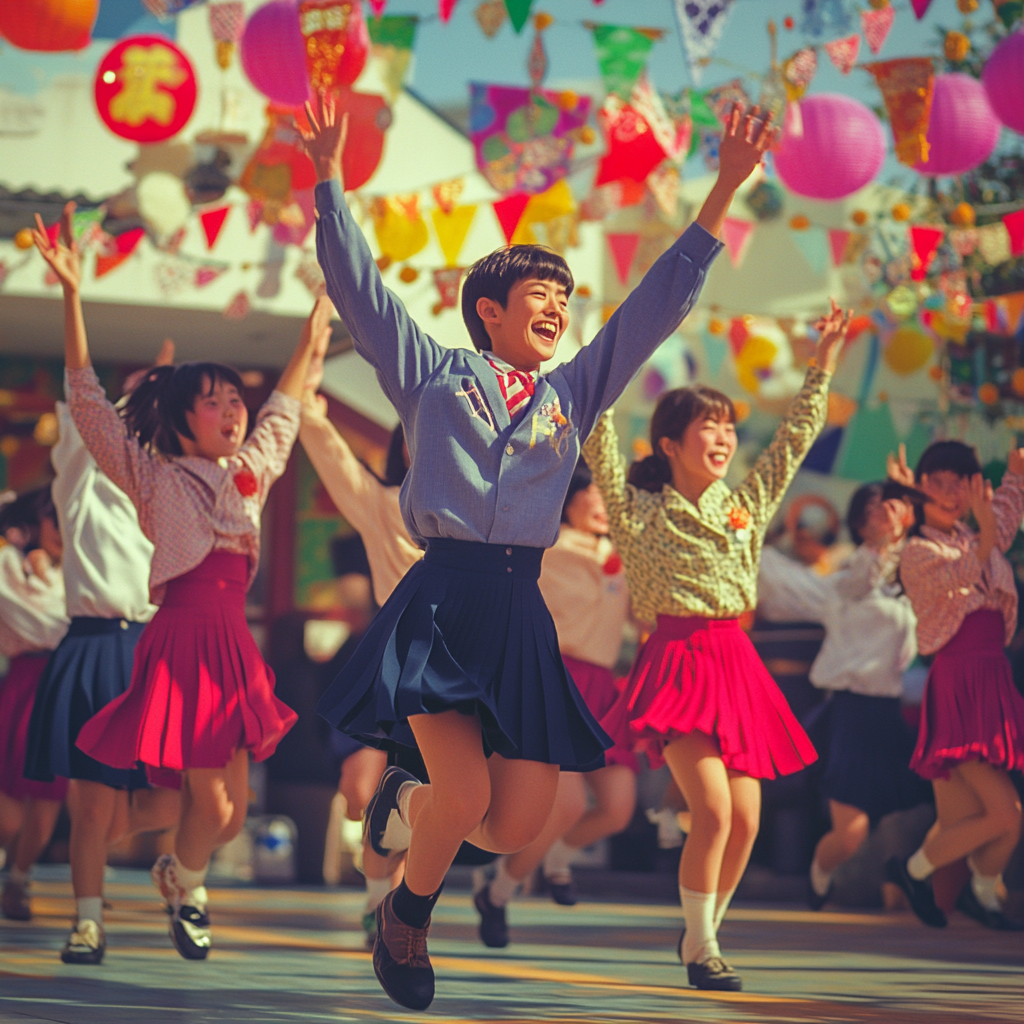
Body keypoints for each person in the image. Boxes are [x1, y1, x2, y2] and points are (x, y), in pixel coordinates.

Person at [301, 88, 773, 1010]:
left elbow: (653, 309)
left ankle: (403, 803)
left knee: (515, 825)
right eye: (539, 295)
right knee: (467, 794)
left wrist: (720, 192)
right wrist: (327, 180)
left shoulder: (572, 393)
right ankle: (406, 918)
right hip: (444, 600)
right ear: (489, 309)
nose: (557, 308)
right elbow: (359, 285)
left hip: (520, 611)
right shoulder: (432, 374)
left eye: (564, 296)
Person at [32, 203, 317, 960]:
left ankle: (177, 872)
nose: (233, 409)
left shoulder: (249, 473)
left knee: (229, 811)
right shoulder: (154, 476)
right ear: (182, 420)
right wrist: (71, 295)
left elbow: (286, 406)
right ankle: (185, 890)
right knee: (212, 799)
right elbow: (89, 404)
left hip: (233, 640)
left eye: (235, 399)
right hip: (183, 634)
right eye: (215, 401)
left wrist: (323, 316)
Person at [583, 302, 849, 991]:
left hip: (737, 664)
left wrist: (823, 362)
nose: (724, 438)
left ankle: (702, 933)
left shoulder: (747, 503)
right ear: (669, 443)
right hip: (675, 661)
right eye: (709, 426)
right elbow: (599, 437)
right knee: (714, 811)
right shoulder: (637, 506)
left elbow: (794, 438)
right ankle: (702, 949)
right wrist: (598, 355)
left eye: (729, 427)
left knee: (747, 822)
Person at [23, 346, 182, 965]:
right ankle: (86, 921)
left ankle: (100, 853)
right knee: (91, 803)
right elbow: (89, 418)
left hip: (152, 645)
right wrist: (145, 386)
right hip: (93, 644)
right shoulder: (80, 475)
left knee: (170, 798)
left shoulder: (168, 481)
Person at [474, 460, 636, 947]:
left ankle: (558, 860)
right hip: (555, 676)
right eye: (599, 496)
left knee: (618, 808)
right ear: (573, 499)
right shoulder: (549, 545)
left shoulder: (622, 554)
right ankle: (500, 892)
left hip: (603, 685)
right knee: (564, 804)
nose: (607, 507)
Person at [298, 309, 422, 945]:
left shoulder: (491, 509)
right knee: (365, 788)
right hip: (393, 665)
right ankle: (382, 903)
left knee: (437, 802)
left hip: (465, 669)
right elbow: (321, 443)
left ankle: (396, 898)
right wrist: (308, 373)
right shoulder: (382, 505)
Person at [757, 482, 931, 910]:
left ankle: (904, 897)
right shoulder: (851, 576)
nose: (885, 517)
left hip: (889, 713)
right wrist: (883, 542)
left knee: (916, 814)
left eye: (893, 509)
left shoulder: (911, 574)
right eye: (875, 511)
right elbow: (862, 580)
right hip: (850, 714)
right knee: (850, 832)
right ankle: (820, 873)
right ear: (858, 522)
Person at [885, 441, 1024, 931]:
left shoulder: (973, 531)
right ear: (919, 489)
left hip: (992, 678)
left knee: (962, 820)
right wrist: (986, 535)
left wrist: (1014, 474)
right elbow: (964, 573)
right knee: (1006, 816)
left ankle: (968, 889)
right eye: (937, 481)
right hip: (959, 682)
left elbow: (1001, 519)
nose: (949, 492)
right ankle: (929, 876)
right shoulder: (918, 552)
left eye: (960, 482)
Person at [0, 487, 69, 921]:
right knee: (10, 800)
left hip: (62, 683)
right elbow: (38, 623)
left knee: (49, 792)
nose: (63, 530)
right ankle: (14, 872)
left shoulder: (74, 569)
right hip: (26, 680)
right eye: (54, 519)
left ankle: (19, 878)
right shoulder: (8, 561)